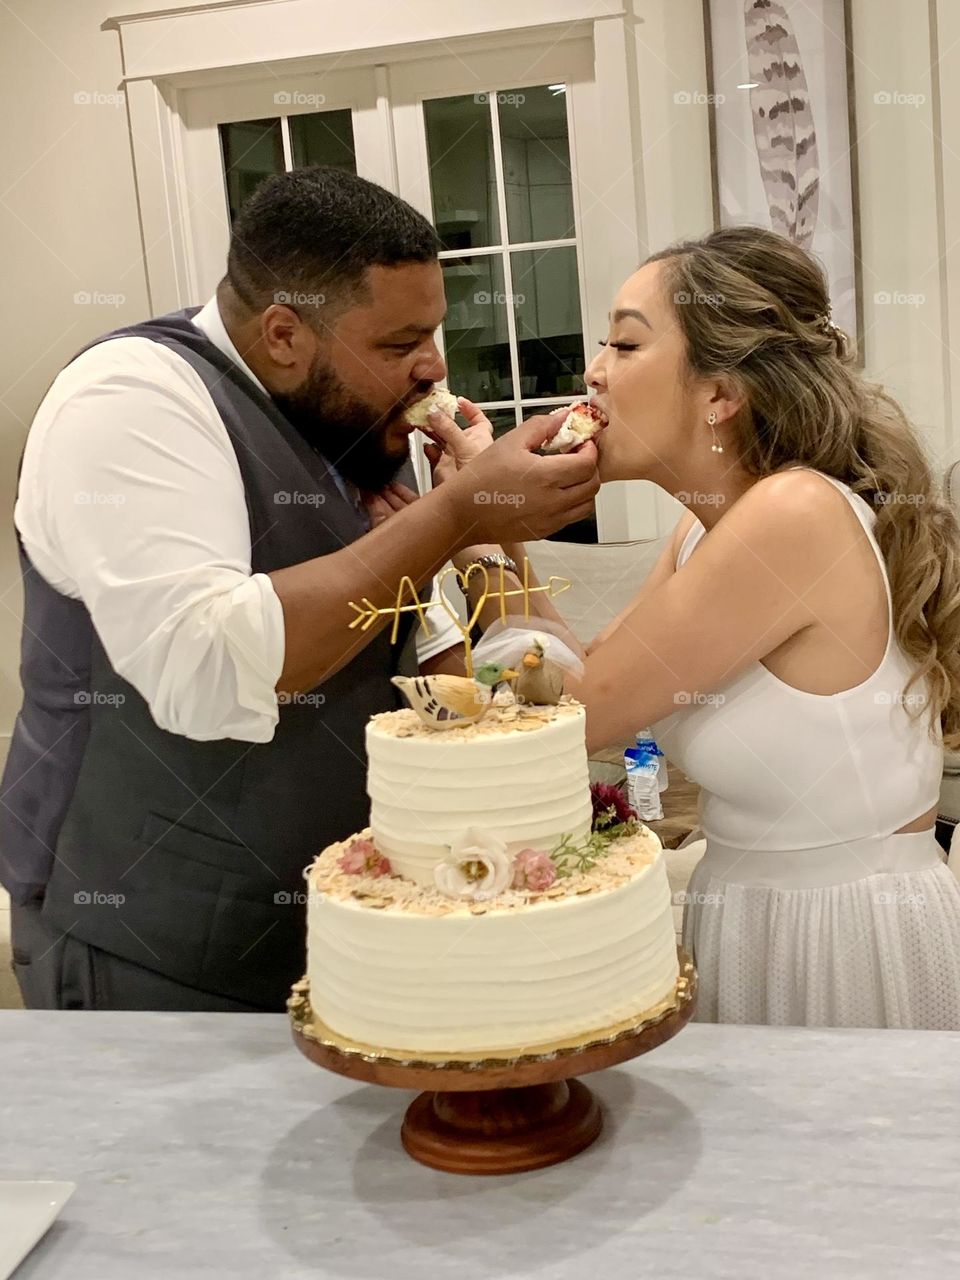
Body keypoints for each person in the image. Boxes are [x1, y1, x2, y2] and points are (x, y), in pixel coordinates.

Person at [2, 166, 599, 1012]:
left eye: (432, 332)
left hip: (330, 935)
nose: (434, 368)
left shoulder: (340, 427)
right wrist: (458, 516)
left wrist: (440, 528)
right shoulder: (129, 399)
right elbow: (206, 669)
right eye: (398, 345)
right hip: (150, 946)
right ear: (284, 334)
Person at [430, 225, 960, 1029]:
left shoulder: (794, 513)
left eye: (626, 345)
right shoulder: (702, 530)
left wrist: (467, 530)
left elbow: (570, 717)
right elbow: (575, 671)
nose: (594, 373)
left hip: (841, 939)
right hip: (750, 916)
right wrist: (493, 520)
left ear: (719, 394)